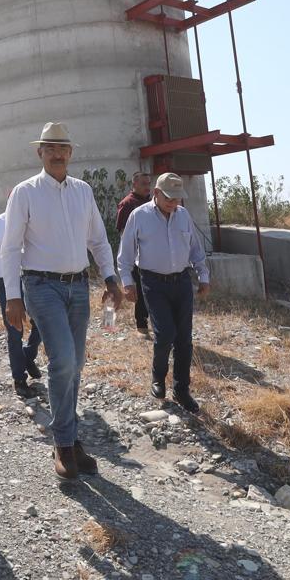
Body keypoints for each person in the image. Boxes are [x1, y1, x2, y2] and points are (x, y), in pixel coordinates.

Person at [2, 122, 122, 481]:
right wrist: (12, 298)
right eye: (50, 147)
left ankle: (70, 438)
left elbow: (99, 240)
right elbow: (10, 248)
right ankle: (64, 444)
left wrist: (112, 278)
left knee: (76, 364)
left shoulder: (83, 191)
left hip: (79, 287)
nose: (57, 154)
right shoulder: (24, 193)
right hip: (41, 286)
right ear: (39, 152)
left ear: (71, 153)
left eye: (63, 148)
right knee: (63, 360)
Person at [117, 173, 210, 414]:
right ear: (156, 194)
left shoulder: (183, 216)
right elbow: (125, 254)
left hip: (181, 281)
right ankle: (158, 379)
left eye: (177, 198)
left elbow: (195, 249)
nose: (173, 202)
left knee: (184, 340)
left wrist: (203, 275)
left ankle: (182, 389)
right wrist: (127, 282)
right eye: (169, 197)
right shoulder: (139, 216)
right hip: (153, 282)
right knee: (165, 333)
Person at [0, 207, 42, 398]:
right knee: (15, 330)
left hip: (32, 278)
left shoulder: (34, 222)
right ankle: (19, 379)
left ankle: (27, 356)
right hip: (4, 281)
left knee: (41, 322)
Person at [116, 171, 153, 334]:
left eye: (149, 183)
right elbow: (124, 233)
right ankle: (141, 325)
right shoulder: (128, 204)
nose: (147, 187)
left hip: (152, 256)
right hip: (135, 256)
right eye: (143, 183)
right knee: (139, 289)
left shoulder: (153, 202)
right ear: (134, 185)